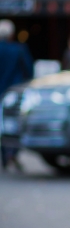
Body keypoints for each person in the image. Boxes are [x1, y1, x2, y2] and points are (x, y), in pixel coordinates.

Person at [0, 19, 33, 170]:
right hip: (14, 93)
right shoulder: (18, 49)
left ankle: (5, 157)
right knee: (13, 125)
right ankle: (12, 153)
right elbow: (29, 70)